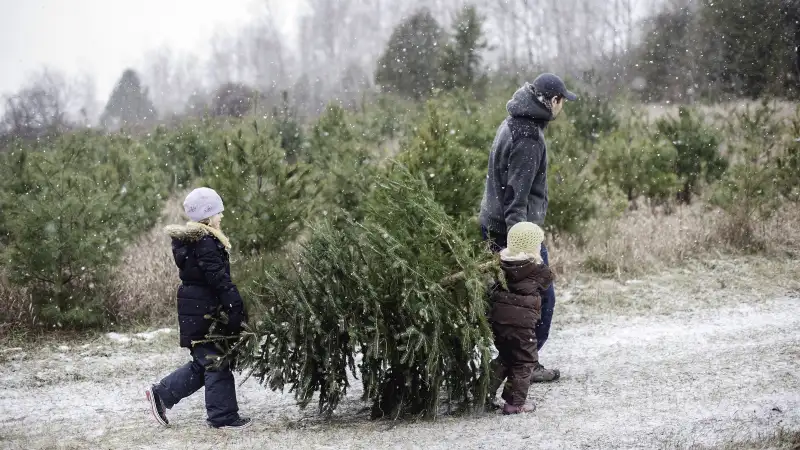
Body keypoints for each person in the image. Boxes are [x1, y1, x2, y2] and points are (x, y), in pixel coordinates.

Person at [478, 72, 576, 383]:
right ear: (554, 101)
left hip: (494, 225)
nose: (562, 108)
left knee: (510, 303)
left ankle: (518, 362)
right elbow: (515, 198)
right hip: (515, 232)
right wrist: (524, 251)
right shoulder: (528, 139)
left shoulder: (512, 121)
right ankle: (520, 364)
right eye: (562, 102)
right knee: (540, 299)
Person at [145, 187, 252, 430]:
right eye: (218, 212)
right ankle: (222, 417)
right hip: (204, 311)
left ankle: (162, 394)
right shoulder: (205, 243)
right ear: (207, 216)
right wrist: (235, 306)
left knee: (205, 361)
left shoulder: (198, 242)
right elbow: (219, 280)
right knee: (215, 361)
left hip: (198, 309)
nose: (221, 217)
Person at [487, 222, 555, 414]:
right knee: (525, 361)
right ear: (533, 247)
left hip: (499, 320)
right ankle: (515, 404)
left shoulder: (500, 262)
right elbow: (548, 281)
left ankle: (481, 393)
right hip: (522, 324)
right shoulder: (536, 268)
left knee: (505, 357)